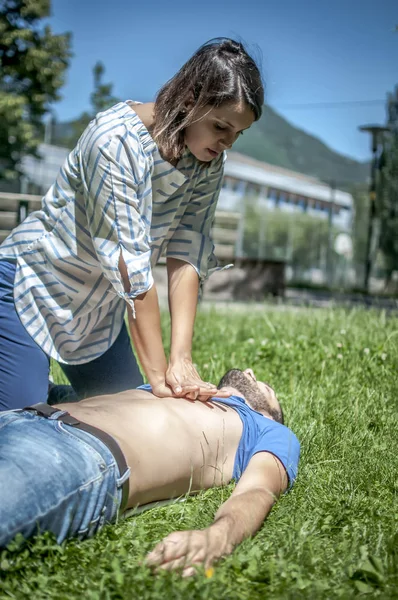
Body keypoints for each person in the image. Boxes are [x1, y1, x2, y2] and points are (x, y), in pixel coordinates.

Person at [0, 38, 264, 411]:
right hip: (31, 289)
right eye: (221, 125)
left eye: (238, 133)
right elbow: (133, 270)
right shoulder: (114, 141)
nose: (227, 143)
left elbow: (188, 250)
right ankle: (33, 393)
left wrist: (180, 362)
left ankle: (52, 397)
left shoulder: (207, 160)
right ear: (190, 98)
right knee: (17, 424)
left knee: (129, 415)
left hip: (97, 315)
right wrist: (159, 379)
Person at [0, 368, 300, 575]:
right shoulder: (181, 386)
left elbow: (258, 489)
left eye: (267, 388)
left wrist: (219, 536)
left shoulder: (269, 430)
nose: (250, 373)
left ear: (270, 413)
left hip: (74, 453)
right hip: (20, 416)